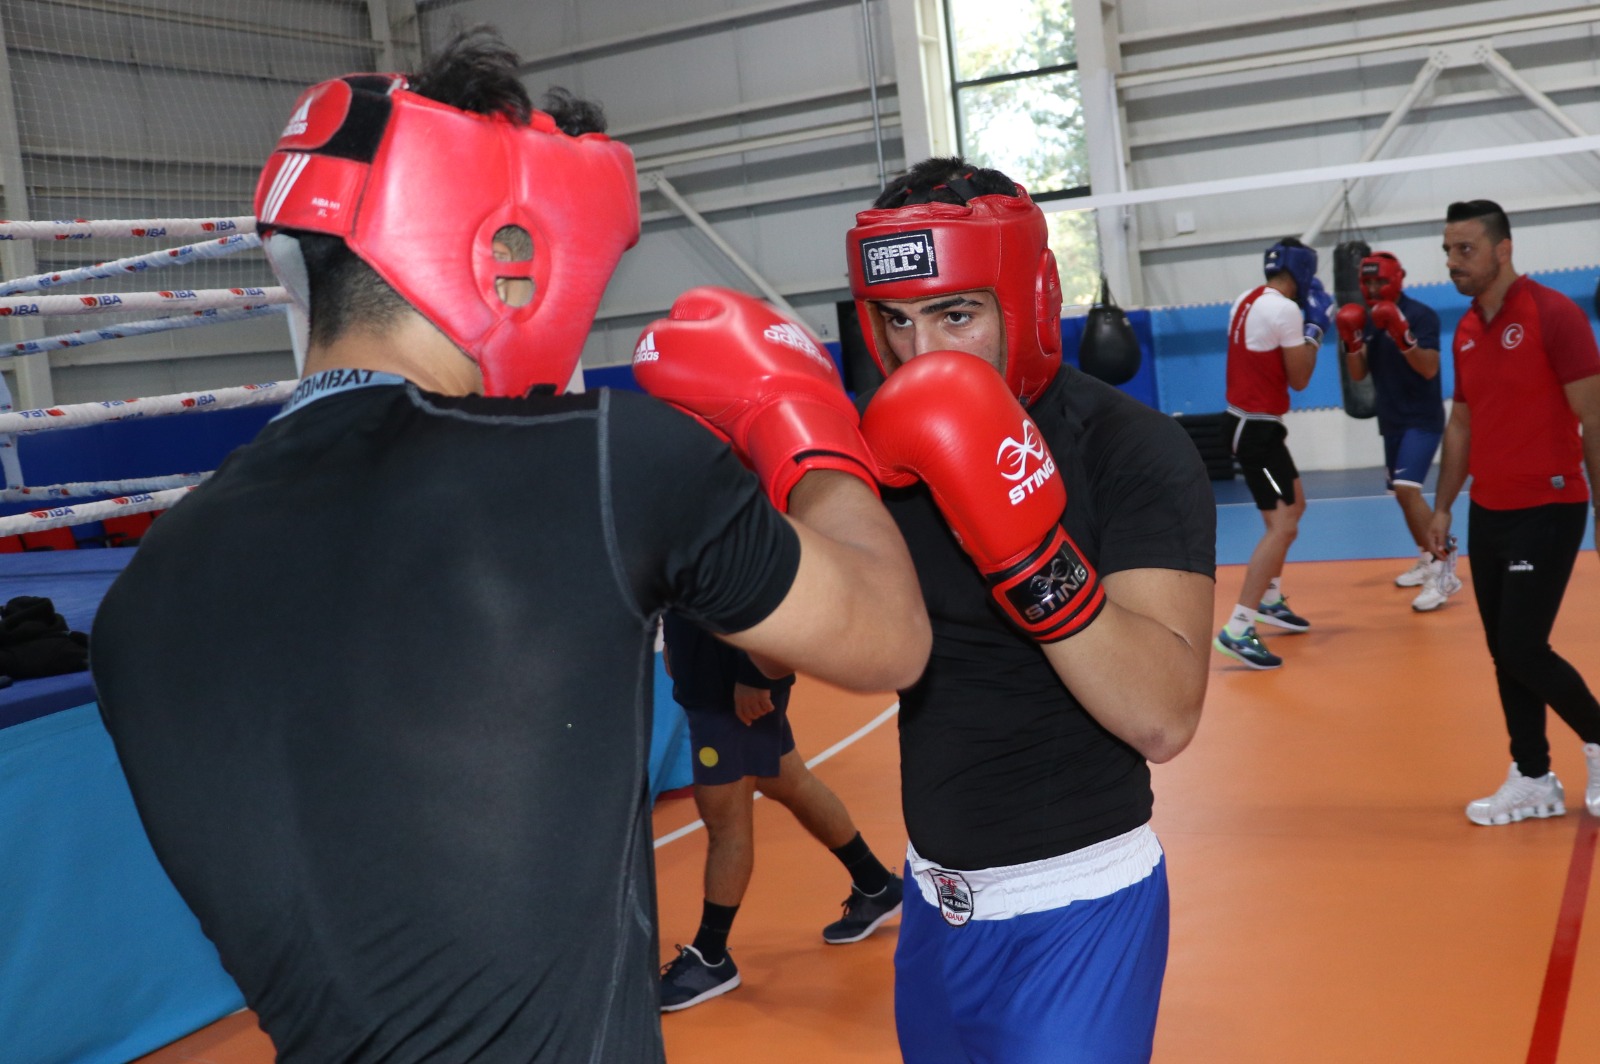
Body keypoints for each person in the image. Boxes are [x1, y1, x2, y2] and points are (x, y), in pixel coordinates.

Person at [89, 29, 929, 1064]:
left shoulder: (142, 595)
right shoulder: (603, 468)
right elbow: (889, 637)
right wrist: (799, 413)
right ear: (504, 258)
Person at [844, 158, 1215, 1064]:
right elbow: (840, 653)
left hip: (1076, 915)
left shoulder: (1130, 448)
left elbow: (1164, 715)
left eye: (955, 314)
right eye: (897, 320)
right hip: (933, 906)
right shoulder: (884, 452)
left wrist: (1027, 553)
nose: (919, 353)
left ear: (1028, 301)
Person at [1428, 198, 1600, 826]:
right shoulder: (1467, 330)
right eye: (1447, 250)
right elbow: (1462, 422)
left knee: (1523, 647)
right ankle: (1532, 776)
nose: (1453, 262)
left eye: (1465, 249)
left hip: (1550, 506)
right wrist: (1442, 506)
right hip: (1490, 511)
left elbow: (1595, 417)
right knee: (1505, 651)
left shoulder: (1554, 315)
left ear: (1503, 249)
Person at [656, 612, 903, 1012]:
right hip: (709, 669)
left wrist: (757, 675)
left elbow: (756, 581)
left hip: (733, 684)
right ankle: (876, 885)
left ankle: (711, 956)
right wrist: (675, 638)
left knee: (725, 821)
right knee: (785, 780)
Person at [1212, 237, 1331, 670]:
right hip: (1257, 431)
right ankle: (1239, 628)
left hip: (1246, 423)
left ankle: (1269, 599)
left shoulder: (1247, 299)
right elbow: (1299, 378)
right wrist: (1316, 329)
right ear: (1302, 272)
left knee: (1293, 506)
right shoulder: (1286, 309)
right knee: (1282, 526)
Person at [1334, 251, 1457, 611]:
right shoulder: (1368, 319)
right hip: (1391, 421)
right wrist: (1352, 341)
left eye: (1379, 281)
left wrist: (1402, 334)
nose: (1372, 287)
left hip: (1422, 419)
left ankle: (1444, 567)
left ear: (1397, 278)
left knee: (1407, 489)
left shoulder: (1421, 315)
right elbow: (1358, 376)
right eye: (1367, 282)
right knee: (1399, 494)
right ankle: (1426, 557)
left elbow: (1430, 368)